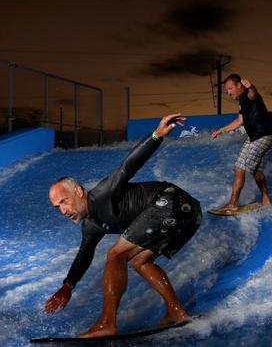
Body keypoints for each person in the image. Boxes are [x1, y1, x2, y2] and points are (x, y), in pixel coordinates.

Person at [44, 113, 202, 338]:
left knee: (115, 254)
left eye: (64, 201)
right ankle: (177, 311)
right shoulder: (90, 226)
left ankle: (107, 323)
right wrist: (68, 285)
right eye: (57, 206)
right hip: (189, 215)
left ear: (78, 191)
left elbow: (129, 165)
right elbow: (84, 255)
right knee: (140, 260)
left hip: (172, 202)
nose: (63, 210)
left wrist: (157, 135)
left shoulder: (103, 193)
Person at [210, 74, 272, 212]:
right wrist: (221, 130)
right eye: (227, 90)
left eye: (230, 88)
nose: (228, 92)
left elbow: (254, 93)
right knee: (254, 169)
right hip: (257, 137)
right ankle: (266, 198)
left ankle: (233, 204)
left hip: (261, 136)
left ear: (239, 85)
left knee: (241, 168)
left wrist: (251, 87)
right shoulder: (242, 101)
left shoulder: (248, 95)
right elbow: (239, 121)